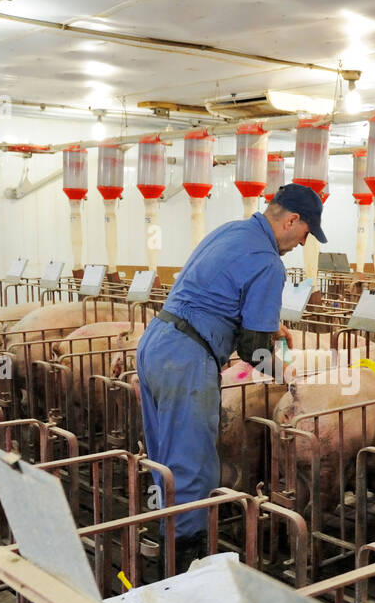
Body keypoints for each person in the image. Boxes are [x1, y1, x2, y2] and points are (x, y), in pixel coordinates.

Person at [135, 183, 327, 569]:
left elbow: (214, 294)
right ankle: (182, 565)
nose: (301, 245)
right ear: (291, 220)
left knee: (165, 458)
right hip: (187, 359)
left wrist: (266, 329)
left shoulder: (230, 231)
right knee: (194, 464)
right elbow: (252, 350)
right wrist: (291, 377)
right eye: (305, 235)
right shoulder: (269, 262)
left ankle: (161, 540)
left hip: (157, 341)